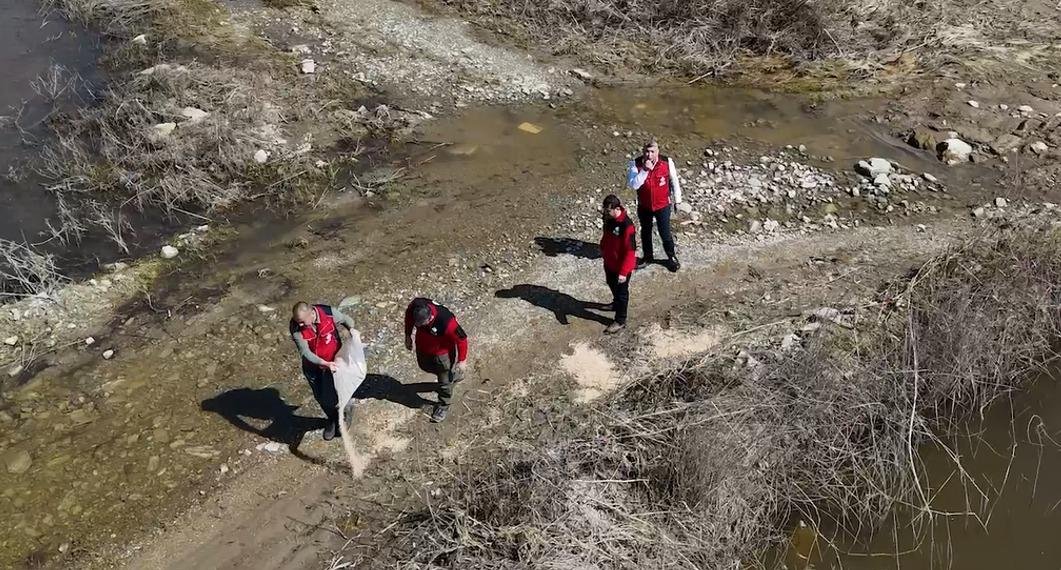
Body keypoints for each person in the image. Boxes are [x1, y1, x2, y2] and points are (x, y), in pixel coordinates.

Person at [289, 302, 356, 440]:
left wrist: (353, 332)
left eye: (302, 322)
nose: (300, 325)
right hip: (314, 367)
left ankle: (346, 413)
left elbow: (346, 320)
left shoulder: (329, 313)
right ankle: (332, 419)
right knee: (321, 397)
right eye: (298, 322)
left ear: (311, 314)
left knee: (342, 390)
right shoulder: (295, 327)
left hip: (335, 362)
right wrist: (324, 363)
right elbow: (305, 352)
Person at [404, 298, 469, 423]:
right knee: (424, 366)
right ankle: (451, 376)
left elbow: (462, 339)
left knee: (443, 381)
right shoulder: (415, 307)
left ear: (429, 317)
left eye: (422, 324)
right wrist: (408, 335)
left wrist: (462, 360)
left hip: (442, 355)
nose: (419, 326)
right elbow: (409, 318)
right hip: (423, 348)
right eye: (417, 324)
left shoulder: (446, 321)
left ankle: (444, 405)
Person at [626, 139, 683, 272]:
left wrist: (677, 200)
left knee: (665, 232)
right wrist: (645, 170)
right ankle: (647, 257)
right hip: (644, 205)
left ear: (658, 151)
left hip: (663, 205)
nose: (649, 155)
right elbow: (634, 184)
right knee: (645, 231)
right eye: (647, 151)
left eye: (652, 151)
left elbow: (674, 181)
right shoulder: (635, 164)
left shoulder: (667, 162)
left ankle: (671, 257)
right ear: (643, 151)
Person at [599, 194, 637, 334]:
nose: (605, 213)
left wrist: (623, 272)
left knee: (622, 293)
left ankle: (620, 320)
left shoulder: (627, 226)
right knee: (610, 283)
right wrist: (603, 247)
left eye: (608, 210)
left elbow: (630, 252)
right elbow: (606, 237)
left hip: (621, 268)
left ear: (616, 208)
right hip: (609, 262)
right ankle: (615, 304)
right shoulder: (609, 220)